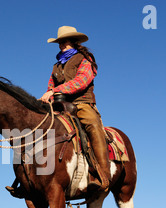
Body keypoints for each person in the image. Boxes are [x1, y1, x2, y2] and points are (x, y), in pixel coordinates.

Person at [6, 26, 110, 197]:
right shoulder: (56, 66)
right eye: (60, 42)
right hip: (60, 106)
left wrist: (54, 91)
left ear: (74, 43)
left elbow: (81, 81)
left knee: (92, 124)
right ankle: (26, 178)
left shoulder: (85, 59)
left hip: (82, 103)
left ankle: (102, 175)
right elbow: (50, 86)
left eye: (66, 42)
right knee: (37, 126)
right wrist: (45, 98)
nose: (62, 45)